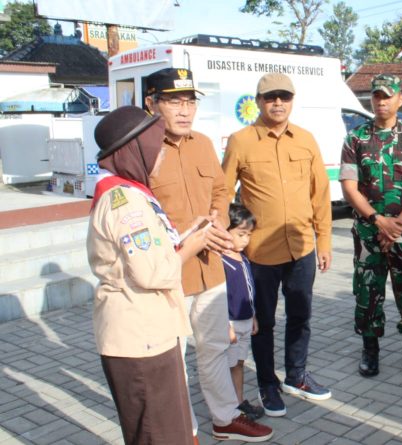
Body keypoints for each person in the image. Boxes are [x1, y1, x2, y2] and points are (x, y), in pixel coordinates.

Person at [144, 68, 272, 442]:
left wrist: (217, 218)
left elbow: (220, 188)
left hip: (211, 268)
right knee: (173, 358)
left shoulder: (201, 143)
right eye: (173, 101)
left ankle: (225, 416)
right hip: (173, 270)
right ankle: (185, 430)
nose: (184, 111)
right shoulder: (144, 149)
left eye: (190, 102)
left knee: (215, 346)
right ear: (152, 103)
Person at [88, 106, 222, 444]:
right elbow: (152, 272)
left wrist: (187, 232)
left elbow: (151, 252)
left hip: (147, 332)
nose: (160, 153)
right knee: (157, 435)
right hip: (140, 337)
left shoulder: (129, 192)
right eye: (154, 145)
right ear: (134, 149)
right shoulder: (126, 203)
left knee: (164, 431)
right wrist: (193, 246)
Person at [222, 72, 333, 418]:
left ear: (292, 101)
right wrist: (229, 241)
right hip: (260, 252)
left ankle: (296, 375)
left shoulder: (306, 140)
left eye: (284, 97)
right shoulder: (241, 141)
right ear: (258, 101)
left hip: (301, 247)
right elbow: (224, 192)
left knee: (301, 314)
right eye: (271, 97)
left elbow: (321, 194)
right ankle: (268, 383)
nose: (278, 103)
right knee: (263, 321)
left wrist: (324, 239)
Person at [340, 74, 402, 377]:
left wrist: (400, 223)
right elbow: (349, 187)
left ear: (399, 99)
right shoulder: (356, 138)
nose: (381, 101)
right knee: (368, 292)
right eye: (376, 96)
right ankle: (370, 350)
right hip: (369, 231)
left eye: (387, 96)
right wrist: (378, 221)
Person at [221, 204, 264, 420]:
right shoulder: (221, 262)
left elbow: (248, 290)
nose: (245, 240)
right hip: (231, 324)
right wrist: (226, 326)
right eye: (240, 234)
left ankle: (238, 402)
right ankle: (228, 408)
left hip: (246, 320)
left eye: (248, 235)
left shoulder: (243, 258)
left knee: (238, 363)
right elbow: (219, 299)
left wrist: (253, 314)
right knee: (226, 366)